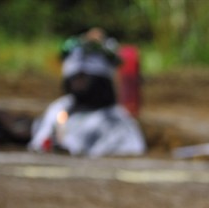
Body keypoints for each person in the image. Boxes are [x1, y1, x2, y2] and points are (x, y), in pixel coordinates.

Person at [28, 27, 145, 157]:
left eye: (84, 78)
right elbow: (39, 145)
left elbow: (125, 155)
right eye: (74, 78)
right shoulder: (59, 109)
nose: (78, 83)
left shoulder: (116, 122)